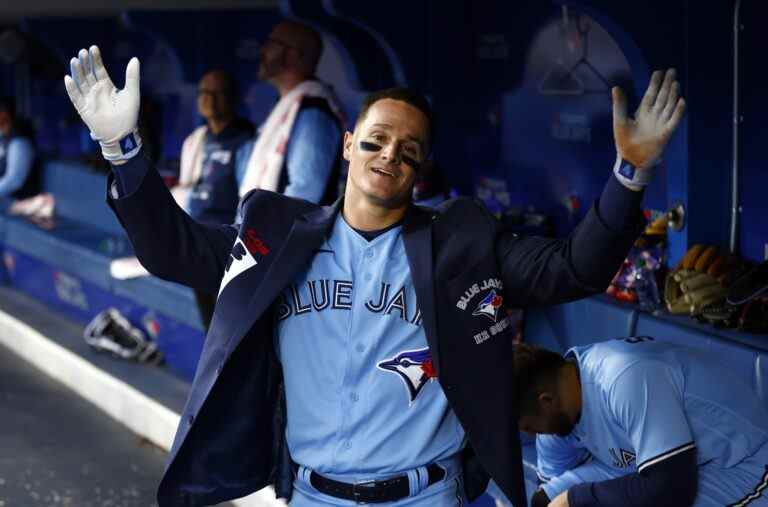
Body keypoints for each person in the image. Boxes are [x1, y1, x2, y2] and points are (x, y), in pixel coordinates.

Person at [64, 45, 684, 506]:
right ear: (346, 144)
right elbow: (173, 250)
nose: (390, 154)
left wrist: (629, 175)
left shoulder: (462, 242)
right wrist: (122, 148)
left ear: (420, 170)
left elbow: (576, 268)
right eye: (377, 140)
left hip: (425, 495)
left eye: (408, 150)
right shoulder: (276, 235)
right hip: (313, 495)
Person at [514, 339, 768, 507]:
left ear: (546, 400)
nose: (528, 433)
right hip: (649, 465)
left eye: (526, 426)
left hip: (742, 461)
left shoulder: (622, 377)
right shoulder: (561, 404)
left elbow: (672, 489)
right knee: (545, 501)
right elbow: (547, 495)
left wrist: (577, 498)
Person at [172, 69, 254, 328]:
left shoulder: (247, 140)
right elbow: (187, 189)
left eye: (217, 93)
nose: (209, 99)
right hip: (196, 236)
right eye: (204, 93)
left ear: (232, 98)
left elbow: (251, 196)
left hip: (228, 243)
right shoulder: (195, 140)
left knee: (226, 322)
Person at [235, 20, 345, 204]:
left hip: (279, 231)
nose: (262, 51)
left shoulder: (313, 113)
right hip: (262, 228)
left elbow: (302, 196)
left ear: (293, 54)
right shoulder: (283, 111)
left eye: (271, 44)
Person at [0, 97, 39, 200]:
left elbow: (14, 180)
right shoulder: (3, 136)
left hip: (20, 201)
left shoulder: (19, 142)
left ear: (4, 114)